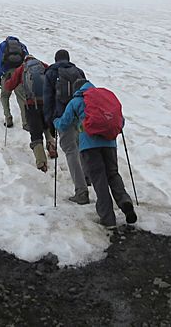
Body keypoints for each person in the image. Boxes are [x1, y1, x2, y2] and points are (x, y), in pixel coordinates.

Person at [54, 79, 137, 229]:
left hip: (89, 145)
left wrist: (55, 122)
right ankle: (125, 201)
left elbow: (64, 124)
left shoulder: (77, 100)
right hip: (109, 143)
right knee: (113, 174)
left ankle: (108, 218)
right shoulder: (105, 97)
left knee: (99, 179)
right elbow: (121, 121)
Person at [44, 49, 90, 204]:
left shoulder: (51, 73)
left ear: (56, 59)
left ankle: (81, 191)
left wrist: (50, 122)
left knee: (70, 151)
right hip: (80, 117)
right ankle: (87, 176)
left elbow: (48, 98)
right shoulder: (79, 71)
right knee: (81, 146)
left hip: (63, 117)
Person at [3, 54, 57, 172]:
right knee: (46, 125)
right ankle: (51, 145)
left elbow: (10, 86)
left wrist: (7, 80)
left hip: (31, 105)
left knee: (35, 132)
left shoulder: (22, 68)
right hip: (46, 103)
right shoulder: (43, 65)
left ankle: (41, 162)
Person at [0, 36, 29, 130]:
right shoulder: (22, 46)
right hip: (19, 74)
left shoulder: (3, 45)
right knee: (22, 98)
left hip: (7, 74)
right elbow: (27, 60)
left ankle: (8, 117)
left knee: (5, 96)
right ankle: (25, 122)